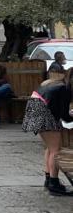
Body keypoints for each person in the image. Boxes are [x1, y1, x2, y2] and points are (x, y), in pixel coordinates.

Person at [22, 60, 72, 196]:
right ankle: (54, 184)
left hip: (35, 111)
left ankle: (49, 179)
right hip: (43, 114)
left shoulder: (52, 84)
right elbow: (64, 115)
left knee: (50, 148)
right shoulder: (64, 88)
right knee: (56, 150)